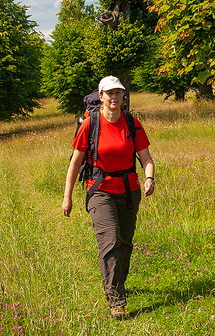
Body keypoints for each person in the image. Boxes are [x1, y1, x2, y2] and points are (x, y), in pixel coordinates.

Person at [62, 76, 155, 320]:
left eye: (118, 93)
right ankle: (116, 300)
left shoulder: (132, 123)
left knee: (125, 241)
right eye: (109, 93)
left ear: (124, 97)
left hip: (128, 190)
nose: (114, 98)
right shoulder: (90, 124)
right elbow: (75, 163)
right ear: (101, 96)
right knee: (110, 240)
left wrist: (149, 178)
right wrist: (67, 196)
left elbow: (146, 158)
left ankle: (118, 283)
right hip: (99, 189)